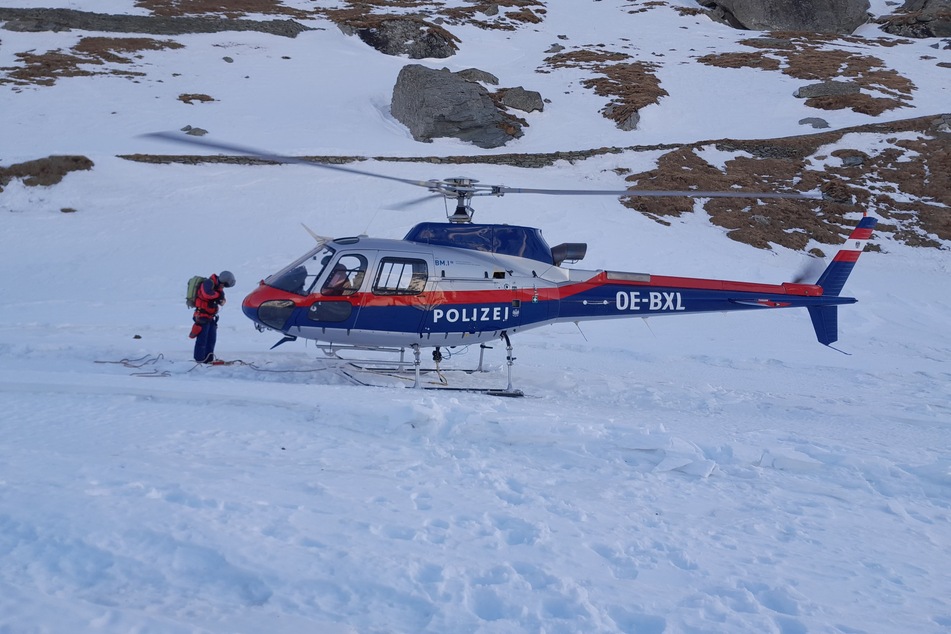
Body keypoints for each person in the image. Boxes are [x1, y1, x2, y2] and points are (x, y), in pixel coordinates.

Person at [190, 270, 235, 363]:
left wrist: (221, 300)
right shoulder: (208, 283)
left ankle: (208, 359)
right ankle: (199, 360)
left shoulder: (219, 288)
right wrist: (218, 296)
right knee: (202, 339)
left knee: (211, 339)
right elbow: (207, 294)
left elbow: (221, 298)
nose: (224, 287)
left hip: (211, 317)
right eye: (224, 284)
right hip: (201, 315)